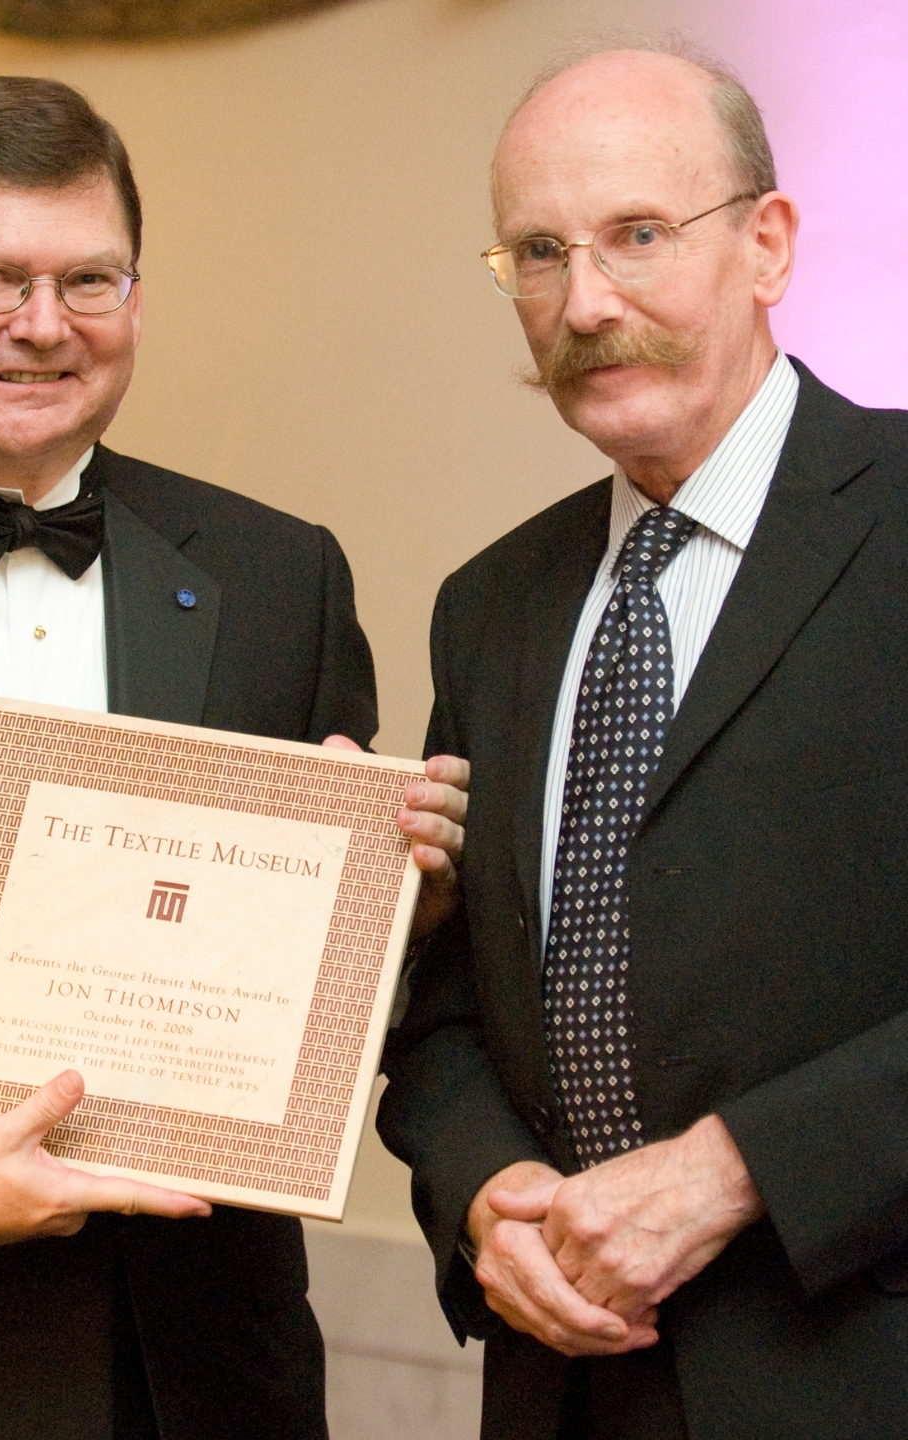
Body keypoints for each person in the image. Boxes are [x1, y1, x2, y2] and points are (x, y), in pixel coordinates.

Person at [0, 77, 467, 1440]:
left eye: (90, 279)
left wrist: (397, 906)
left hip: (215, 1378)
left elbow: (328, 1006)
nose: (44, 326)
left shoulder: (277, 574)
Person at [377, 41, 908, 1440]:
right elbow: (443, 1008)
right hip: (560, 1387)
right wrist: (487, 1190)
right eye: (539, 254)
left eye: (638, 237)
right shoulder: (489, 609)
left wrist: (741, 1170)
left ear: (769, 243)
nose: (586, 303)